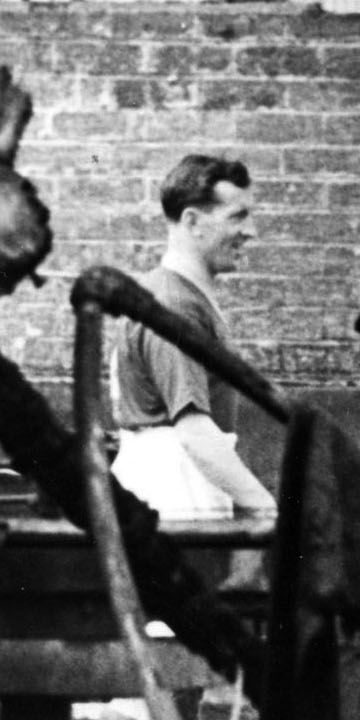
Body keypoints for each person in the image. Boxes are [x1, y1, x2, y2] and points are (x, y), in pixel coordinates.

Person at [109, 153, 276, 525]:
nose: (251, 231)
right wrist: (269, 510)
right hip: (173, 494)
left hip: (185, 487)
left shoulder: (176, 296)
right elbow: (195, 433)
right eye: (237, 216)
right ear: (192, 221)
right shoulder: (173, 306)